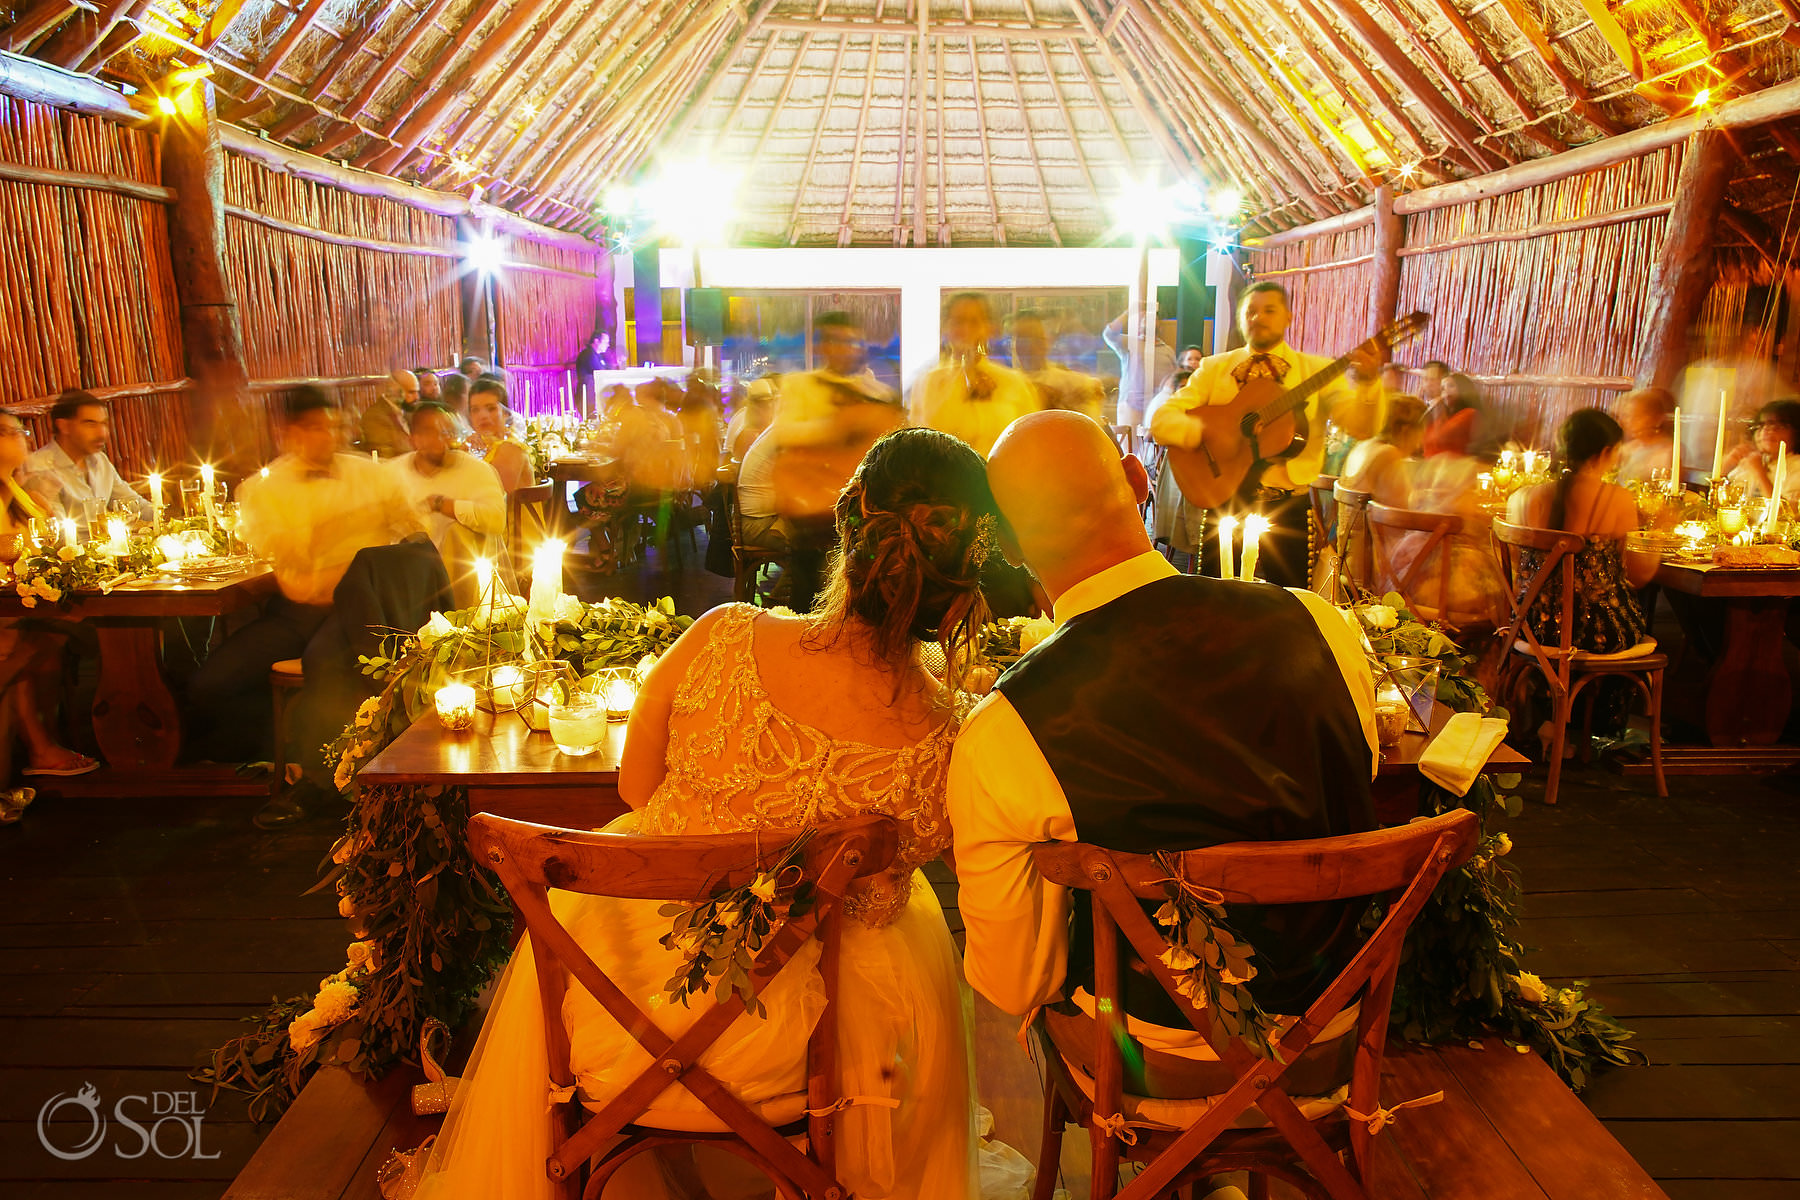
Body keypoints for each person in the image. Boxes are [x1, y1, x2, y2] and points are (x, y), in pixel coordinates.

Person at [412, 429, 1002, 1200]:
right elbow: (912, 866)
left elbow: (635, 788)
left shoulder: (722, 635)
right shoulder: (952, 728)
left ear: (848, 515)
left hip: (619, 1016)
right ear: (967, 569)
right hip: (823, 1053)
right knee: (908, 915)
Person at [952, 411, 1376, 1047]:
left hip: (1154, 1048)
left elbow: (1016, 984)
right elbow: (1355, 785)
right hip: (1337, 1028)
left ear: (1010, 547)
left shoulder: (1006, 727)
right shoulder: (1317, 623)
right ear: (1135, 480)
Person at [188, 388, 427, 813]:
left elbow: (412, 535)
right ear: (289, 434)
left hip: (358, 609)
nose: (328, 436)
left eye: (334, 426)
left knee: (326, 667)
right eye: (316, 428)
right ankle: (282, 755)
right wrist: (344, 531)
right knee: (213, 683)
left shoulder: (374, 475)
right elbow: (295, 560)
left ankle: (325, 784)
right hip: (296, 611)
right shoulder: (265, 490)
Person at [1150, 281, 1384, 586]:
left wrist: (1367, 384)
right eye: (1251, 312)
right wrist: (1213, 434)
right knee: (1213, 598)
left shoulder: (1316, 370)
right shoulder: (1214, 368)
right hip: (1227, 500)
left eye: (1269, 310)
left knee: (1291, 598)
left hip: (1289, 504)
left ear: (1288, 316)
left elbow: (1360, 427)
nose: (1258, 318)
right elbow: (1163, 420)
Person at [1507, 409, 1658, 744]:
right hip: (1595, 634)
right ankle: (1593, 729)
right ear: (1605, 453)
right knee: (1637, 618)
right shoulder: (1616, 498)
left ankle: (1556, 720)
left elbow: (1520, 570)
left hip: (1532, 625)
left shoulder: (1521, 498)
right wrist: (1658, 539)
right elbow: (1640, 576)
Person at [767, 313, 905, 611]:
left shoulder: (877, 393)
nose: (842, 348)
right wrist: (841, 425)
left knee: (864, 592)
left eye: (850, 341)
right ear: (821, 346)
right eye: (833, 340)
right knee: (810, 593)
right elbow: (784, 433)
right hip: (814, 511)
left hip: (864, 509)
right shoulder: (800, 386)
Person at [0, 409, 96, 781]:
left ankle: (40, 746)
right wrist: (35, 535)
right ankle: (40, 748)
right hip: (9, 608)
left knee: (47, 636)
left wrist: (44, 516)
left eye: (19, 431)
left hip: (16, 604)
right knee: (35, 639)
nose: (19, 439)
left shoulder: (17, 488)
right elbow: (13, 546)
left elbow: (52, 538)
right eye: (8, 432)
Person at [386, 404, 506, 603]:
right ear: (414, 439)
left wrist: (444, 505)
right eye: (433, 433)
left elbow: (497, 520)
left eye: (447, 432)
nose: (444, 440)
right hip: (407, 579)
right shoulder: (392, 472)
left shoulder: (476, 470)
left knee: (459, 532)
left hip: (465, 581)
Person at [909, 293, 1041, 458]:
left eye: (974, 322)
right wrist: (965, 372)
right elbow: (926, 438)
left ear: (989, 328)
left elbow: (1031, 437)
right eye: (958, 322)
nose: (966, 329)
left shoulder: (1013, 382)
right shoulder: (929, 382)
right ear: (945, 328)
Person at [23, 390, 151, 529]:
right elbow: (55, 535)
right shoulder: (39, 468)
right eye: (90, 424)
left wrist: (170, 518)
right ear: (64, 426)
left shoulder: (100, 460)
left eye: (104, 424)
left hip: (109, 546)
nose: (102, 433)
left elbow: (135, 505)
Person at [1011, 309, 1104, 422]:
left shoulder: (1071, 384)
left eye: (1036, 338)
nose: (1029, 346)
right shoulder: (1005, 383)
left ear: (1047, 342)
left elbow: (1090, 428)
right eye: (1021, 338)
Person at [1340, 393, 1425, 506]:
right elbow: (1399, 511)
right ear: (1406, 430)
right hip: (1368, 524)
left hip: (1346, 523)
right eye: (1420, 434)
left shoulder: (1362, 445)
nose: (1418, 445)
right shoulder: (1387, 454)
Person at [1101, 310, 1177, 427]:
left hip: (1157, 407)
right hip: (1132, 406)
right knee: (1130, 444)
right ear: (1139, 324)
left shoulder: (1168, 350)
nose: (1149, 321)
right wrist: (1128, 312)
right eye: (1144, 319)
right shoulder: (1130, 343)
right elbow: (1109, 334)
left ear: (1159, 323)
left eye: (1153, 318)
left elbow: (1173, 378)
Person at [1724, 398, 1800, 503]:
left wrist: (1760, 473)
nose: (1766, 430)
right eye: (1761, 425)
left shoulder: (1796, 468)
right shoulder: (1753, 460)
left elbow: (1785, 513)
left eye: (1779, 426)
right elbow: (1726, 502)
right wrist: (1726, 465)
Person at [466, 378, 533, 495]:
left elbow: (495, 499)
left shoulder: (510, 448)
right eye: (475, 410)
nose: (483, 415)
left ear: (506, 413)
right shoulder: (479, 446)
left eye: (491, 408)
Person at [1611, 387, 1676, 486]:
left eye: (1636, 417)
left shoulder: (1668, 453)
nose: (1627, 422)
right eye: (1626, 416)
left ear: (1655, 419)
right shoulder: (1626, 449)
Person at [355, 369, 417, 459]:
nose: (417, 397)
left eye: (417, 392)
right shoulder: (374, 417)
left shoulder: (409, 411)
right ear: (394, 391)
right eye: (411, 392)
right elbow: (386, 457)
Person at [1423, 372, 1482, 457]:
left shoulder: (1470, 413)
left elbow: (1440, 438)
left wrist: (1437, 411)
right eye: (1443, 389)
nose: (1446, 391)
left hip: (1454, 466)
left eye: (1451, 386)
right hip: (1433, 465)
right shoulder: (1442, 416)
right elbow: (1423, 439)